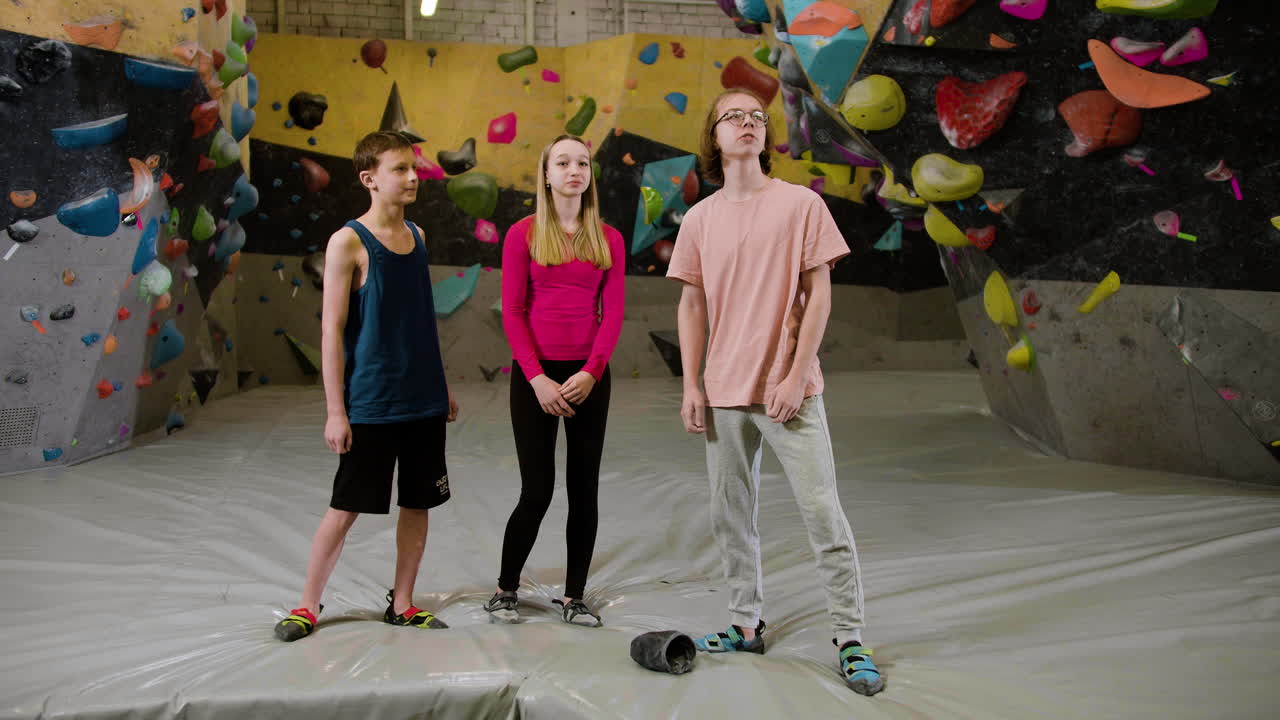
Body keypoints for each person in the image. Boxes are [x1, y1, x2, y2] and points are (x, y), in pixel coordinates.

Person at [665, 89, 885, 696]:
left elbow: (820, 296)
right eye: (733, 116)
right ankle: (745, 624)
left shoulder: (801, 205)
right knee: (729, 514)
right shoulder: (700, 219)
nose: (748, 123)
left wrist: (794, 374)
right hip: (723, 391)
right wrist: (691, 384)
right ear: (714, 136)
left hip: (790, 390)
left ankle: (850, 637)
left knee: (822, 513)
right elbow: (691, 304)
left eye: (757, 117)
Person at [274, 131, 459, 642]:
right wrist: (337, 411)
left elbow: (420, 321)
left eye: (413, 168)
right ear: (369, 178)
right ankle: (307, 605)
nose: (413, 177)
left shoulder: (419, 235)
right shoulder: (348, 241)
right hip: (372, 401)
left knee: (418, 503)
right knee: (345, 506)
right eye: (400, 169)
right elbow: (331, 331)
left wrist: (440, 387)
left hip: (423, 400)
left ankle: (403, 604)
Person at [485, 134, 625, 627]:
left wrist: (592, 370)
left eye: (582, 163)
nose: (574, 170)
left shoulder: (608, 239)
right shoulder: (523, 234)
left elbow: (612, 313)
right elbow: (513, 312)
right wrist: (537, 378)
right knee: (537, 490)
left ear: (590, 175)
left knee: (584, 489)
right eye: (563, 162)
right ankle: (505, 589)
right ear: (546, 175)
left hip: (588, 377)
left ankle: (574, 597)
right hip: (536, 378)